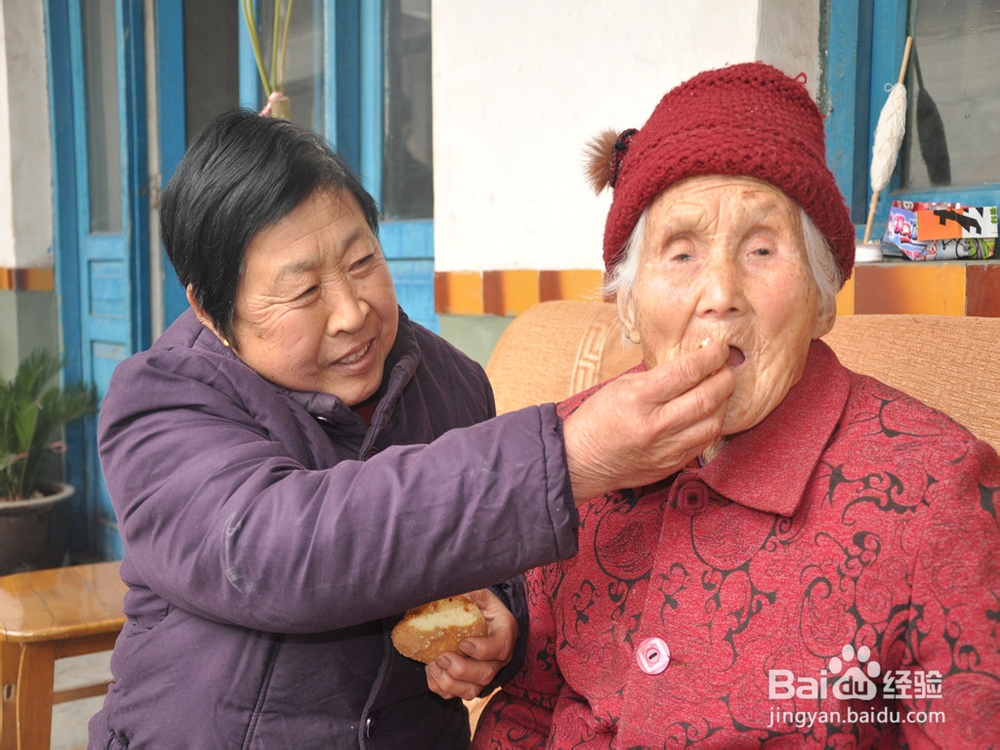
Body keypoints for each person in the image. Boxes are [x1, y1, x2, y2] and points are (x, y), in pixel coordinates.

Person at [89, 108, 737, 748]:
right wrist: (569, 455)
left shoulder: (452, 383)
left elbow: (504, 564)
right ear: (210, 310)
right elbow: (276, 550)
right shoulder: (162, 403)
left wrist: (502, 624)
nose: (351, 312)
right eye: (304, 292)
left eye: (362, 262)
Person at [472, 62, 1000, 748]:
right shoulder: (576, 449)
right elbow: (528, 705)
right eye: (681, 253)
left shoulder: (937, 490)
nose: (720, 292)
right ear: (627, 310)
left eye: (761, 248)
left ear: (820, 297)